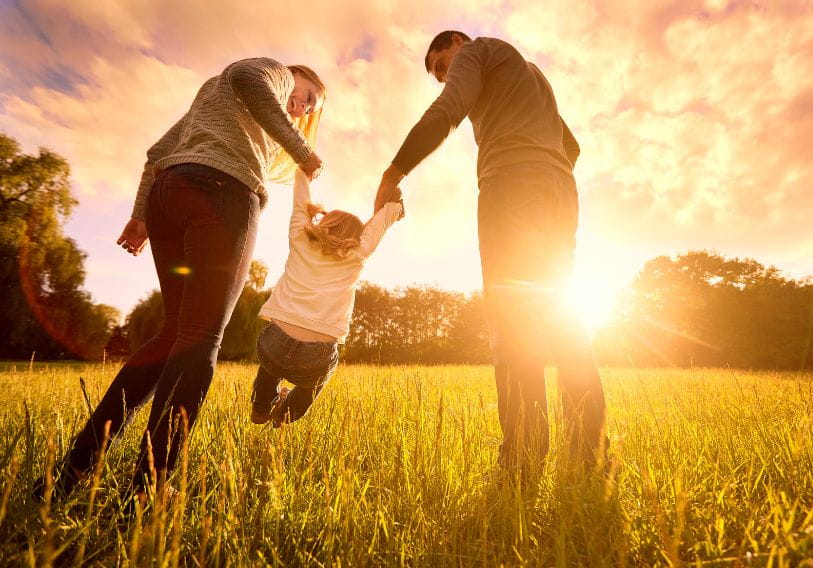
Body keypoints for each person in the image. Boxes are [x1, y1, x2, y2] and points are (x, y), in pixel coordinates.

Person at [35, 58, 327, 502]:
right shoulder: (271, 71)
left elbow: (157, 153)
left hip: (169, 195)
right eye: (308, 97)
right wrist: (301, 149)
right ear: (294, 75)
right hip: (223, 194)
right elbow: (251, 79)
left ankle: (72, 471)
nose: (302, 109)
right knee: (201, 339)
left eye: (309, 110)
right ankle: (148, 489)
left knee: (173, 334)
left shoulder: (217, 101)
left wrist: (139, 217)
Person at [374, 31, 607, 470]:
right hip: (559, 191)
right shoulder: (530, 73)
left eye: (444, 65)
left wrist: (394, 172)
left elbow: (448, 110)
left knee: (513, 321)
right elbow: (571, 145)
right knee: (564, 319)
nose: (446, 77)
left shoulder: (478, 51)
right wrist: (544, 170)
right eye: (440, 74)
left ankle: (522, 457)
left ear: (458, 43)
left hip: (511, 187)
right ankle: (589, 455)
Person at [250, 169, 403, 427]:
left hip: (274, 342)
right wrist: (393, 206)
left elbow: (300, 202)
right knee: (314, 382)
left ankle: (261, 407)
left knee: (270, 364)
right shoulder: (357, 255)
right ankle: (286, 415)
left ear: (325, 223)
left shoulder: (300, 238)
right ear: (356, 238)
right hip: (316, 354)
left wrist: (303, 172)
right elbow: (379, 226)